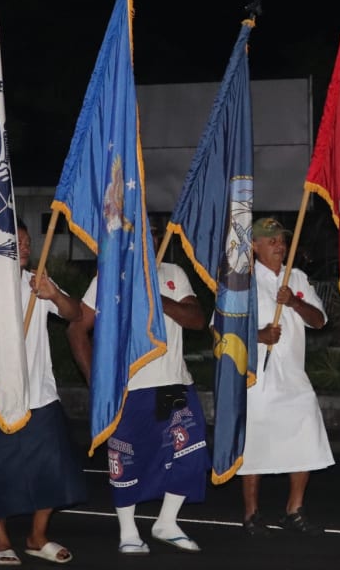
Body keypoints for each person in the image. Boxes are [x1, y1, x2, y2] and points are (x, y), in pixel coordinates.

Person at [66, 219, 210, 555]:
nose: (148, 241)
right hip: (130, 389)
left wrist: (156, 299)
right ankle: (128, 530)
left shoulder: (173, 273)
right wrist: (96, 382)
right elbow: (76, 329)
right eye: (141, 236)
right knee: (127, 458)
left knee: (189, 452)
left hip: (173, 384)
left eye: (153, 236)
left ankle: (167, 522)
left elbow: (197, 319)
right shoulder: (109, 276)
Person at [0, 219, 86, 565]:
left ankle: (36, 536)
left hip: (39, 397)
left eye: (29, 242)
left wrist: (53, 294)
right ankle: (1, 540)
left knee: (53, 469)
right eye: (20, 242)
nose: (27, 247)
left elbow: (75, 314)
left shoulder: (36, 282)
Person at [239, 216, 333, 536]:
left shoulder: (298, 278)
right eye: (271, 240)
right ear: (254, 246)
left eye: (282, 239)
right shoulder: (242, 282)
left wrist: (293, 301)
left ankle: (294, 510)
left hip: (293, 374)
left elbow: (319, 320)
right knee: (255, 444)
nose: (279, 245)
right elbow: (221, 331)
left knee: (306, 434)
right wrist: (258, 335)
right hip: (258, 377)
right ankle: (251, 514)